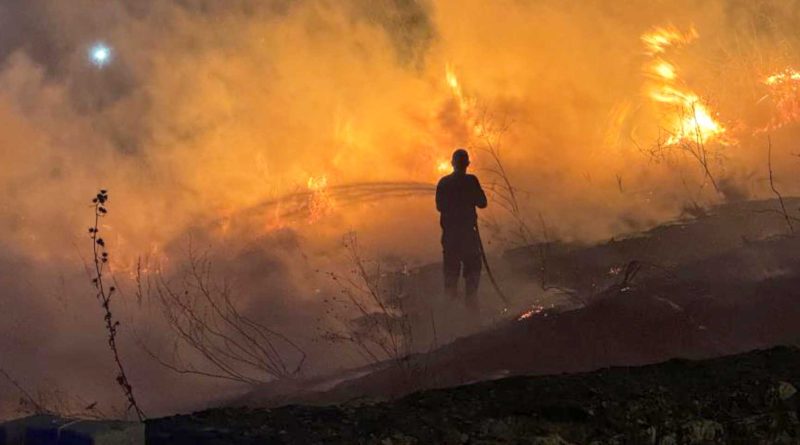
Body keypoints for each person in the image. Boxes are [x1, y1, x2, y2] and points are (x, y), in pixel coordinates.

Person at [435, 148, 487, 309]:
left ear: (452, 164)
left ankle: (451, 314)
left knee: (451, 276)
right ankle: (470, 307)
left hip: (450, 238)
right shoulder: (471, 181)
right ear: (467, 164)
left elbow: (440, 206)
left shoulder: (444, 182)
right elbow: (482, 203)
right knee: (473, 271)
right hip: (467, 237)